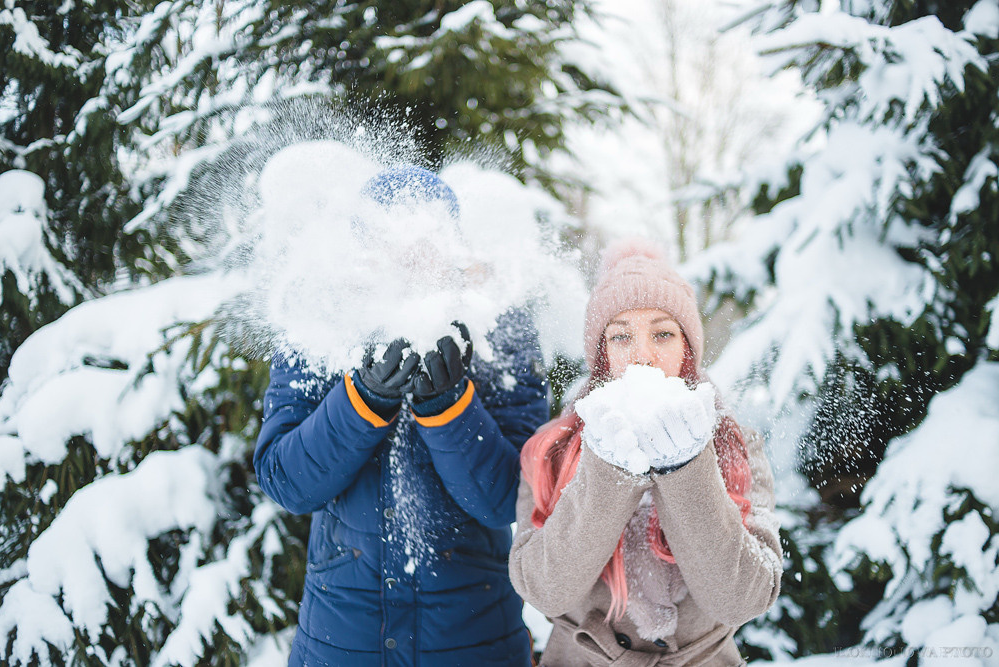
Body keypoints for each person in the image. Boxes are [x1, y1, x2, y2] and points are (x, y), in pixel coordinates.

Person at [254, 166, 548, 666]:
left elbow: (507, 500)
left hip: (475, 646)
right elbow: (287, 481)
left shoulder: (499, 329)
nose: (408, 255)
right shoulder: (317, 325)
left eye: (425, 236)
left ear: (451, 243)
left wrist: (449, 407)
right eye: (388, 235)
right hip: (341, 645)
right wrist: (362, 400)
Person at [509, 239, 781, 666]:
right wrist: (608, 470)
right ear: (601, 356)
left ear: (687, 349)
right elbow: (544, 591)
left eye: (663, 333)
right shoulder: (551, 450)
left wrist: (687, 468)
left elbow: (740, 600)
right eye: (620, 336)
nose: (643, 356)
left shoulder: (735, 446)